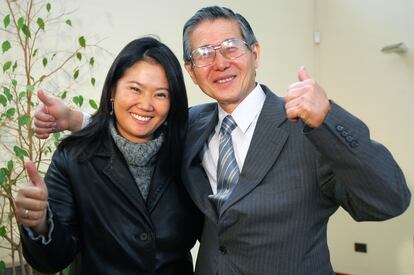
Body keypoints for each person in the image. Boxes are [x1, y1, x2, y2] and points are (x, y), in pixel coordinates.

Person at [32, 6, 411, 275]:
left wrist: (328, 120)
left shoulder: (307, 126)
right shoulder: (192, 125)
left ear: (255, 53)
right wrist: (77, 119)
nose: (220, 61)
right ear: (192, 72)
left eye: (231, 47)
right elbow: (140, 120)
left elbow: (390, 200)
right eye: (204, 54)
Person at [15, 37, 202, 275]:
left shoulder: (189, 154)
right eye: (135, 89)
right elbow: (53, 260)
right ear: (113, 89)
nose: (146, 105)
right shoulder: (73, 159)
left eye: (161, 95)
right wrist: (40, 222)